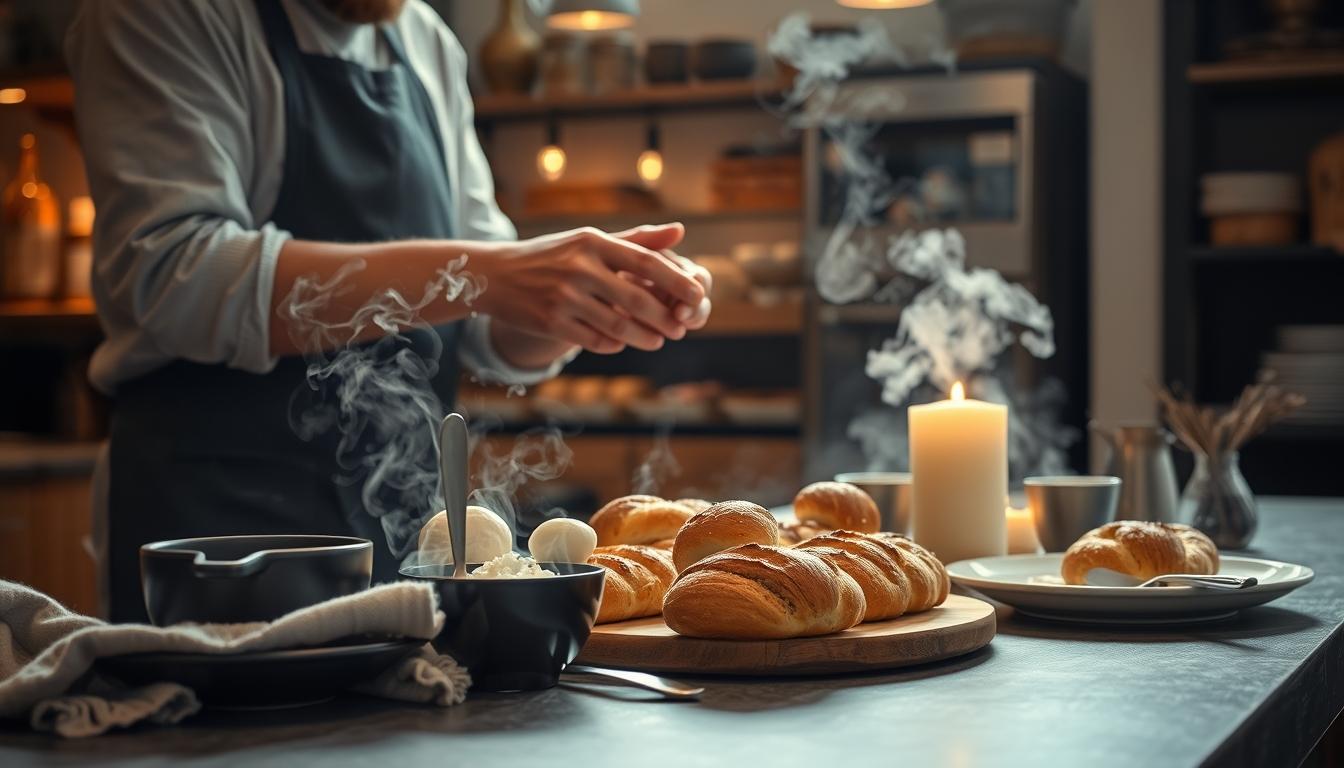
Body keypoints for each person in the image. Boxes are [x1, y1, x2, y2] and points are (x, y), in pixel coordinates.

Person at [65, 0, 711, 622]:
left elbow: (486, 329)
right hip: (217, 545)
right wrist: (494, 274)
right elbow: (173, 276)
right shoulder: (163, 13)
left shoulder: (425, 40)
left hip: (404, 550)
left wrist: (585, 301)